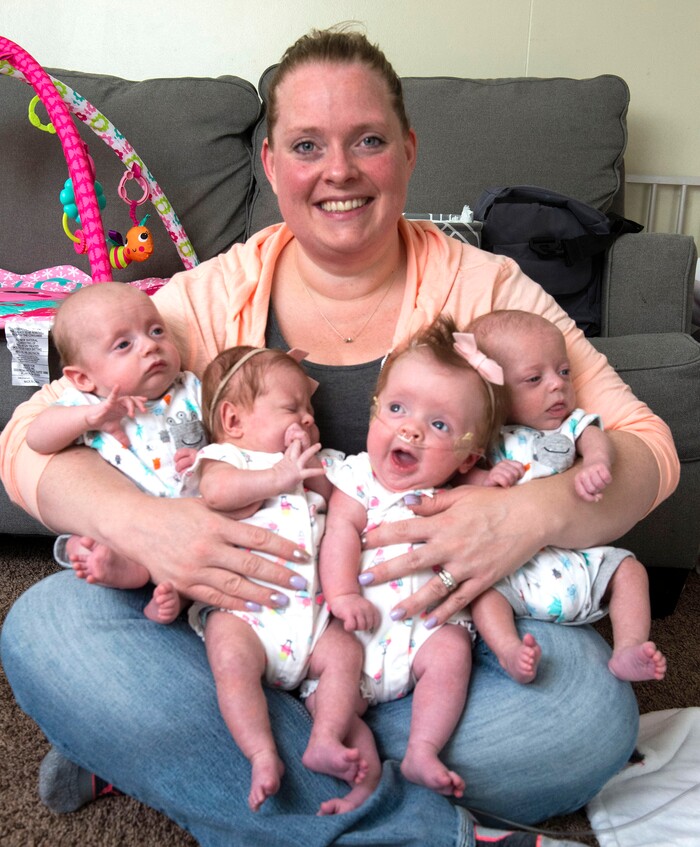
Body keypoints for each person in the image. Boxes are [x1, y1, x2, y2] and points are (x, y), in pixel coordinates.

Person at [0, 26, 679, 847]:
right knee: (48, 629)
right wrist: (147, 526)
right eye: (307, 145)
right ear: (271, 164)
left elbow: (647, 448)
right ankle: (422, 826)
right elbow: (25, 439)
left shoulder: (486, 288)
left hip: (421, 639)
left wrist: (527, 515)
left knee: (584, 713)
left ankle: (189, 753)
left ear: (409, 150)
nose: (340, 171)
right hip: (248, 626)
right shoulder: (215, 294)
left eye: (368, 141)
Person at [181, 344, 378, 814]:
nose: (307, 418)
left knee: (346, 654)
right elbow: (217, 494)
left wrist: (310, 473)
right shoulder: (225, 459)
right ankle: (261, 753)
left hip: (313, 622)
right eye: (292, 408)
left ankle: (328, 738)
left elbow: (344, 499)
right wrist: (278, 476)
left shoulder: (317, 463)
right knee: (230, 661)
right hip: (246, 616)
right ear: (233, 421)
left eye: (310, 410)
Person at [320, 315, 503, 802]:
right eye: (397, 408)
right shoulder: (358, 479)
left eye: (439, 424)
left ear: (468, 456)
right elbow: (339, 533)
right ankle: (340, 757)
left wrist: (499, 482)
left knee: (452, 653)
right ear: (375, 411)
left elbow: (499, 501)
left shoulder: (457, 488)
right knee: (336, 682)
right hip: (356, 629)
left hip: (426, 634)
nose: (411, 429)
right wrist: (342, 595)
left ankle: (423, 750)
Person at [464, 310, 668, 686]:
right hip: (512, 573)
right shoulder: (485, 437)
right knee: (483, 597)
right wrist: (486, 478)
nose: (557, 385)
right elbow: (460, 479)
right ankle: (509, 650)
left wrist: (595, 464)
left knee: (630, 571)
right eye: (534, 378)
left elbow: (598, 441)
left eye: (563, 371)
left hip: (577, 561)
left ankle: (628, 647)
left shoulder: (572, 424)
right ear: (492, 391)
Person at [25, 282, 206, 623]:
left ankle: (177, 594)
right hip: (130, 529)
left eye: (156, 331)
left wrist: (208, 458)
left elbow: (231, 436)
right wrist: (88, 418)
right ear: (83, 378)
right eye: (124, 344)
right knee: (94, 541)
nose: (150, 346)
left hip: (195, 518)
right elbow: (37, 438)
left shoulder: (192, 387)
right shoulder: (89, 403)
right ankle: (125, 570)